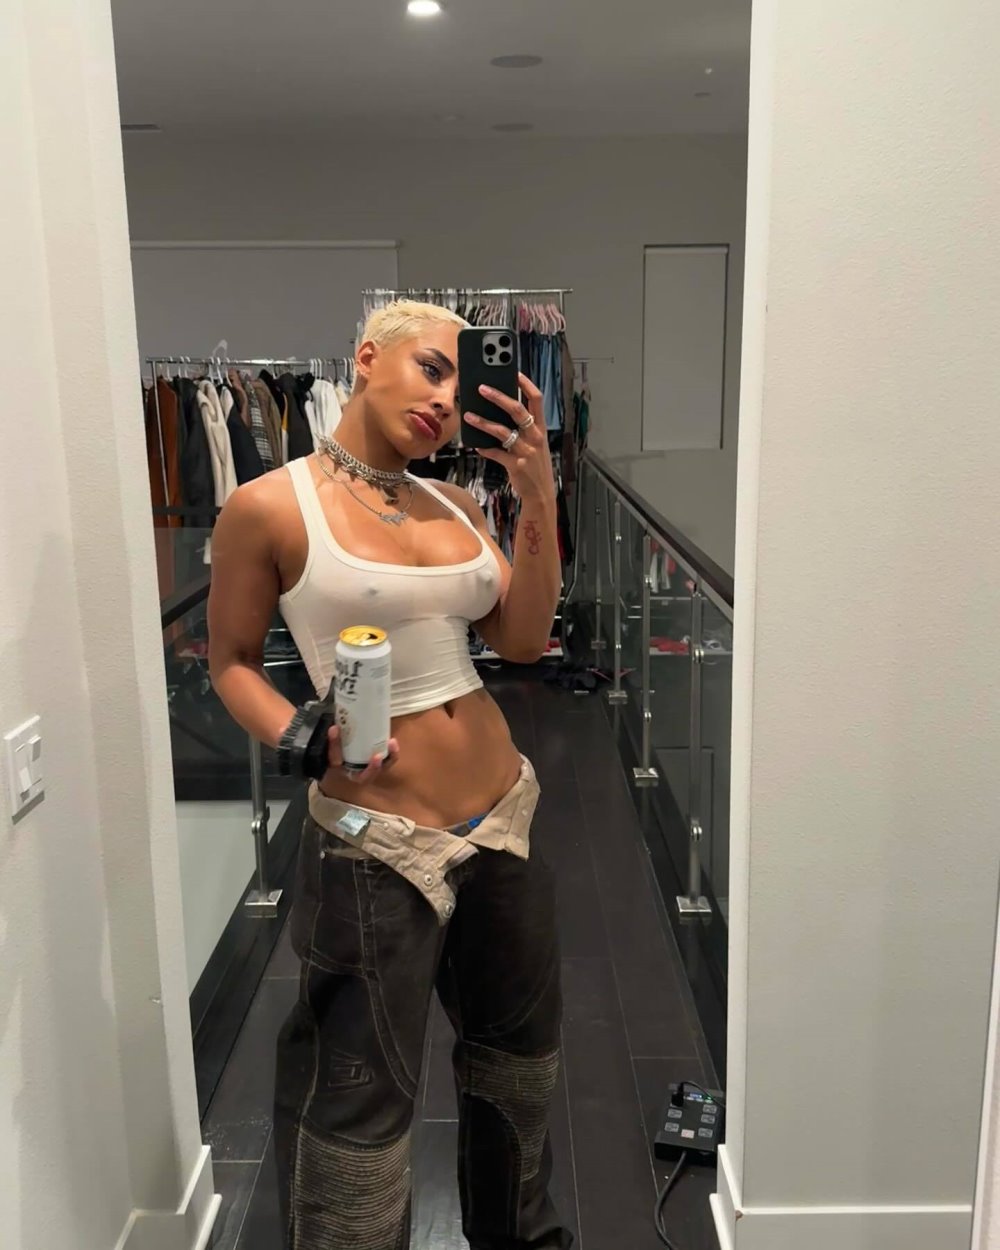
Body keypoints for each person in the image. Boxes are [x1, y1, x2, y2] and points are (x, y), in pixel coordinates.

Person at [207, 300, 573, 1250]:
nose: (446, 401)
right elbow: (230, 661)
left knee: (518, 1073)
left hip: (503, 822)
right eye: (431, 370)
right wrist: (300, 737)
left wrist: (538, 496)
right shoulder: (270, 505)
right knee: (355, 1110)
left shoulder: (455, 505)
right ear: (368, 358)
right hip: (377, 847)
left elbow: (523, 640)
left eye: (459, 382)